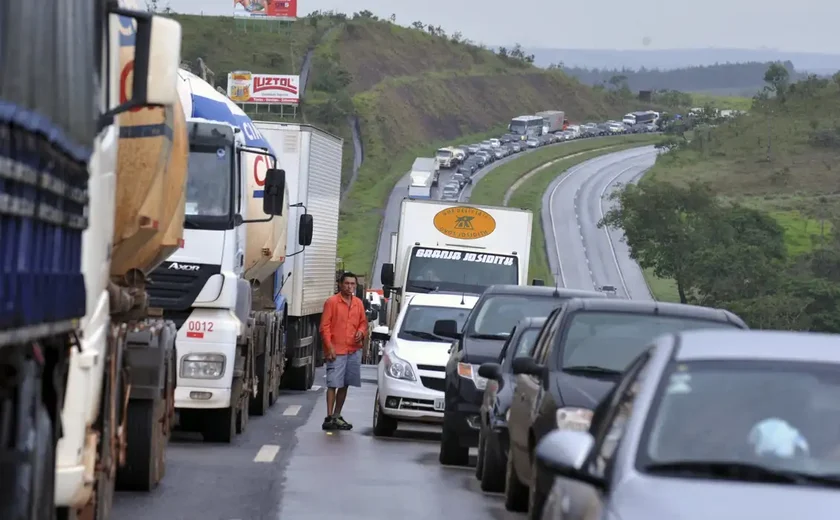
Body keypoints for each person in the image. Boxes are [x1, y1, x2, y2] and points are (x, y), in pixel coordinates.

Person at [319, 272, 368, 431]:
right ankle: (329, 417)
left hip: (353, 350)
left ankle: (337, 415)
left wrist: (361, 332)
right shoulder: (332, 302)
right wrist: (329, 347)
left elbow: (363, 323)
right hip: (337, 350)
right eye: (347, 284)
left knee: (345, 383)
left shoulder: (358, 303)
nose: (350, 287)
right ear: (340, 284)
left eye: (353, 284)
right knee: (333, 383)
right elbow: (324, 327)